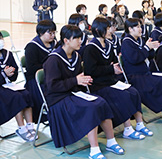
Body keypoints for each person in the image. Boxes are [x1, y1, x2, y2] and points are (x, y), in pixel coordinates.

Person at [44, 25, 124, 158]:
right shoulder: (53, 59)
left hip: (73, 93)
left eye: (81, 38)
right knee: (90, 108)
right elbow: (52, 86)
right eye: (77, 39)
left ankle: (111, 141)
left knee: (101, 102)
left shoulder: (76, 56)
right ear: (66, 40)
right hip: (58, 99)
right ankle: (94, 149)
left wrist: (83, 81)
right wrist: (75, 81)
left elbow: (78, 80)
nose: (80, 41)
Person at [83, 18, 152, 141]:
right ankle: (127, 129)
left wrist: (115, 68)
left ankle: (140, 123)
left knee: (133, 91)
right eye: (108, 28)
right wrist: (110, 68)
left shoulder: (108, 45)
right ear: (98, 30)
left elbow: (114, 62)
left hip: (111, 81)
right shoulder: (90, 48)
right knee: (122, 96)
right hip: (99, 85)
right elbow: (91, 71)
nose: (111, 30)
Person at [121, 18, 162, 124]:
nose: (140, 29)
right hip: (136, 76)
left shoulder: (140, 40)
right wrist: (147, 48)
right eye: (137, 27)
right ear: (130, 29)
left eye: (140, 26)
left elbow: (150, 56)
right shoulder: (127, 42)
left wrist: (151, 48)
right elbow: (135, 59)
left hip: (146, 73)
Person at [0, 32, 36, 142]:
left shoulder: (7, 54)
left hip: (8, 84)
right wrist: (3, 74)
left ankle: (30, 125)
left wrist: (11, 73)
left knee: (26, 93)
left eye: (1, 38)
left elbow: (14, 76)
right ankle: (21, 127)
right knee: (16, 97)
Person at [24, 20, 57, 123]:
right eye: (50, 33)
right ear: (41, 33)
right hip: (36, 80)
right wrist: (49, 66)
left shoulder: (55, 44)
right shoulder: (32, 47)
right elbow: (31, 68)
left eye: (54, 32)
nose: (52, 35)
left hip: (53, 77)